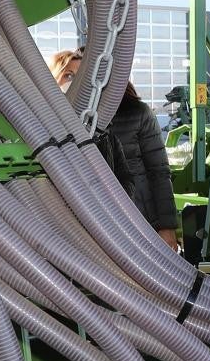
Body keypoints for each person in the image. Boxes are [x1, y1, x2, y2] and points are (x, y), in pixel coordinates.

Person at [48, 49, 178, 249]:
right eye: (68, 75)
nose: (74, 82)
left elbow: (159, 171)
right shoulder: (50, 125)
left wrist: (167, 228)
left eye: (82, 76)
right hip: (81, 230)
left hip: (137, 220)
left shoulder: (136, 113)